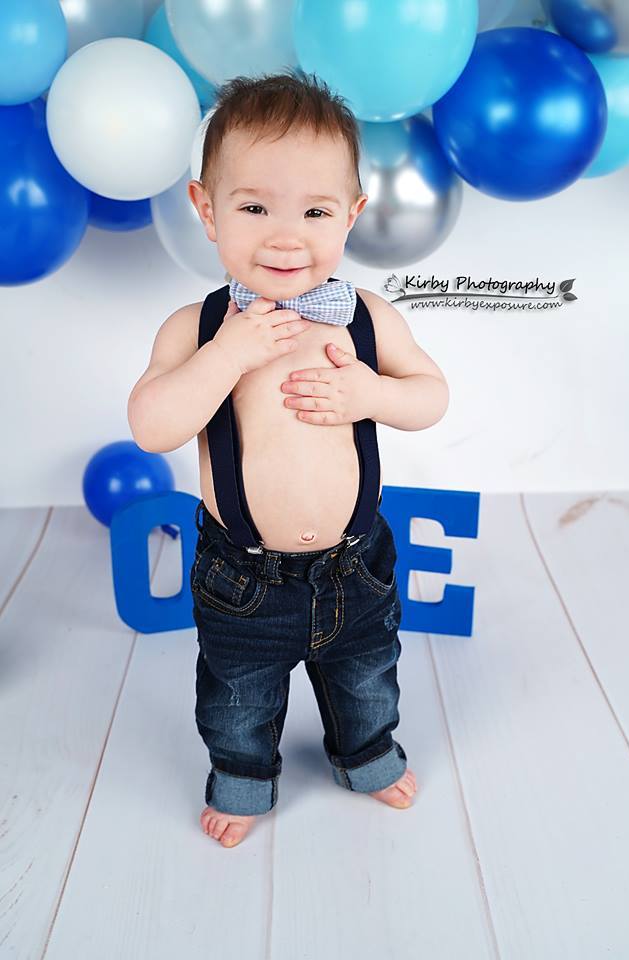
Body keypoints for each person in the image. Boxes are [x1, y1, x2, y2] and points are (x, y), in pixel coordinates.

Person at [127, 70, 449, 849]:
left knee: (367, 677)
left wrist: (372, 393)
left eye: (314, 211)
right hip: (243, 579)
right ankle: (242, 778)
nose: (285, 235)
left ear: (352, 215)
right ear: (207, 209)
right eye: (254, 208)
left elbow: (431, 397)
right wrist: (226, 357)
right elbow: (151, 426)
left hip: (355, 565)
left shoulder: (367, 319)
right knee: (237, 696)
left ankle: (366, 753)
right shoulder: (196, 329)